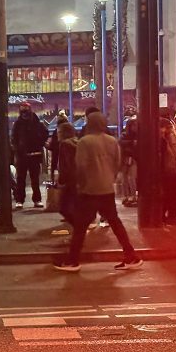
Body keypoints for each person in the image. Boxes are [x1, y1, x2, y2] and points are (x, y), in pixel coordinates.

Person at [55, 112, 142, 272]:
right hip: (107, 188)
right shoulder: (111, 141)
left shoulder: (85, 142)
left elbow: (80, 166)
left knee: (81, 226)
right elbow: (117, 163)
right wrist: (110, 177)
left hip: (90, 189)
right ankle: (131, 255)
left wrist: (81, 184)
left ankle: (73, 260)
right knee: (115, 223)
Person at [11, 101, 49, 209]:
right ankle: (21, 200)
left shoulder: (34, 122)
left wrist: (39, 143)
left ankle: (34, 199)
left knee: (33, 179)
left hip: (32, 154)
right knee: (22, 179)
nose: (24, 113)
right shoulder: (20, 124)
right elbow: (13, 138)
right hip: (24, 154)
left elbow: (44, 134)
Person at [53, 120, 78, 235]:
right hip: (78, 180)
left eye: (59, 132)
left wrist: (61, 180)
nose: (58, 134)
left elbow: (66, 164)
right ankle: (78, 230)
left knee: (63, 207)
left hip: (70, 181)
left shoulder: (65, 144)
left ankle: (79, 230)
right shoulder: (77, 142)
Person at [160, 117, 176, 226]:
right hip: (166, 170)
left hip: (174, 169)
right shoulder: (160, 140)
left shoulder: (171, 138)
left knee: (172, 194)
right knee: (167, 195)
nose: (169, 129)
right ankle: (163, 216)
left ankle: (171, 216)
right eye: (166, 127)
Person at [119, 117, 138, 207]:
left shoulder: (138, 135)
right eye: (134, 125)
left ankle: (133, 196)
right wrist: (131, 143)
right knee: (125, 179)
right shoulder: (125, 135)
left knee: (131, 178)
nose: (135, 127)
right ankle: (126, 196)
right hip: (125, 159)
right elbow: (121, 143)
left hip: (132, 159)